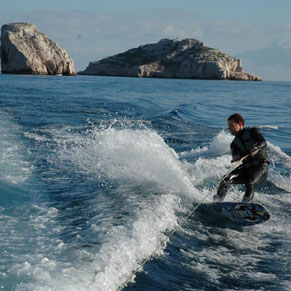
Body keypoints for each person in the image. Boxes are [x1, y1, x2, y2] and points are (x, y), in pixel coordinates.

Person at [213, 113, 269, 203]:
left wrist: (257, 147)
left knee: (250, 181)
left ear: (240, 124)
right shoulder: (234, 144)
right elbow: (235, 155)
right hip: (246, 169)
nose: (229, 128)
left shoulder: (252, 132)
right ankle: (217, 202)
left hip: (260, 167)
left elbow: (263, 142)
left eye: (232, 125)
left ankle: (245, 204)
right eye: (228, 126)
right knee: (226, 179)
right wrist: (236, 157)